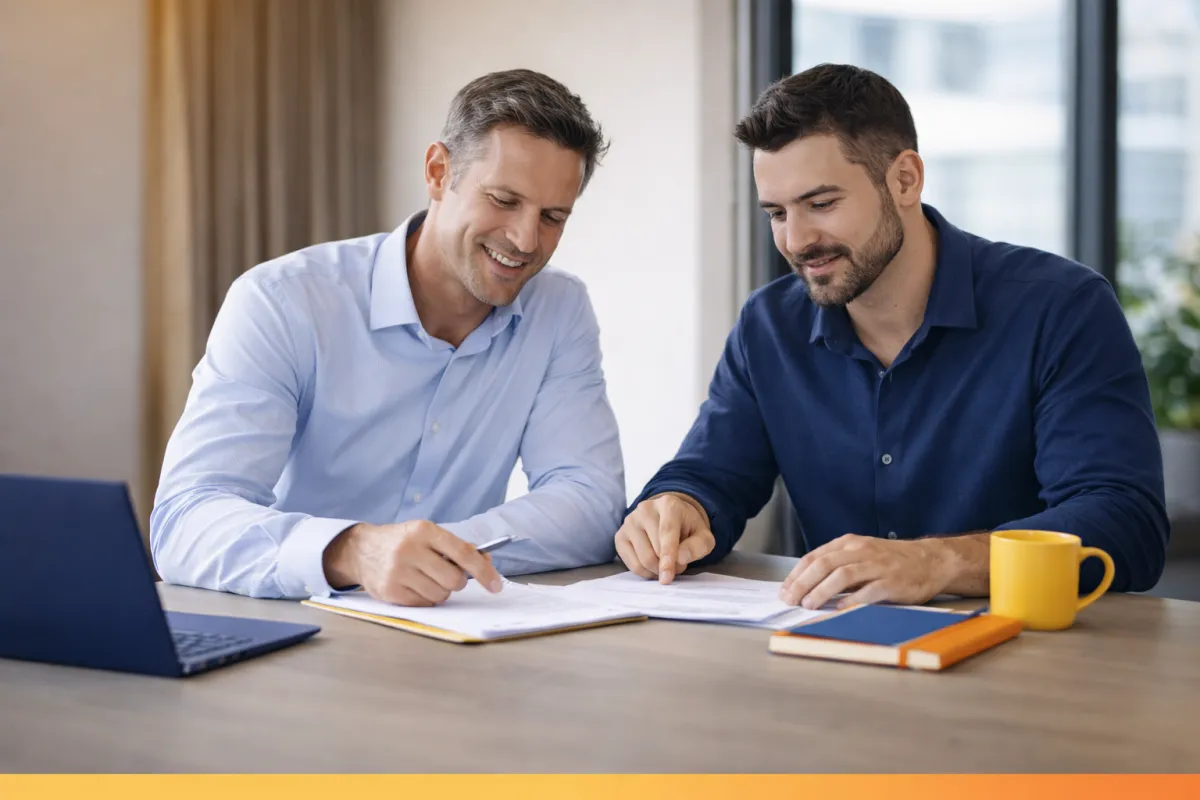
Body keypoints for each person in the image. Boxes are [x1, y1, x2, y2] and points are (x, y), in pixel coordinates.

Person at [616, 63, 1168, 608]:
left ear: (905, 179)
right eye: (776, 213)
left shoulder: (1060, 307)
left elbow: (1123, 521)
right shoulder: (770, 325)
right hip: (835, 657)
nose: (797, 239)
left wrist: (938, 562)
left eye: (822, 203)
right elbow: (712, 475)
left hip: (1028, 660)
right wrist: (677, 506)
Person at [152, 69, 625, 606]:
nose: (524, 240)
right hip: (294, 630)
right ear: (438, 171)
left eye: (553, 217)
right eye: (503, 200)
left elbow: (590, 502)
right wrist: (351, 552)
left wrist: (439, 554)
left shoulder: (559, 311)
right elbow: (187, 519)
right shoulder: (282, 301)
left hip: (457, 634)